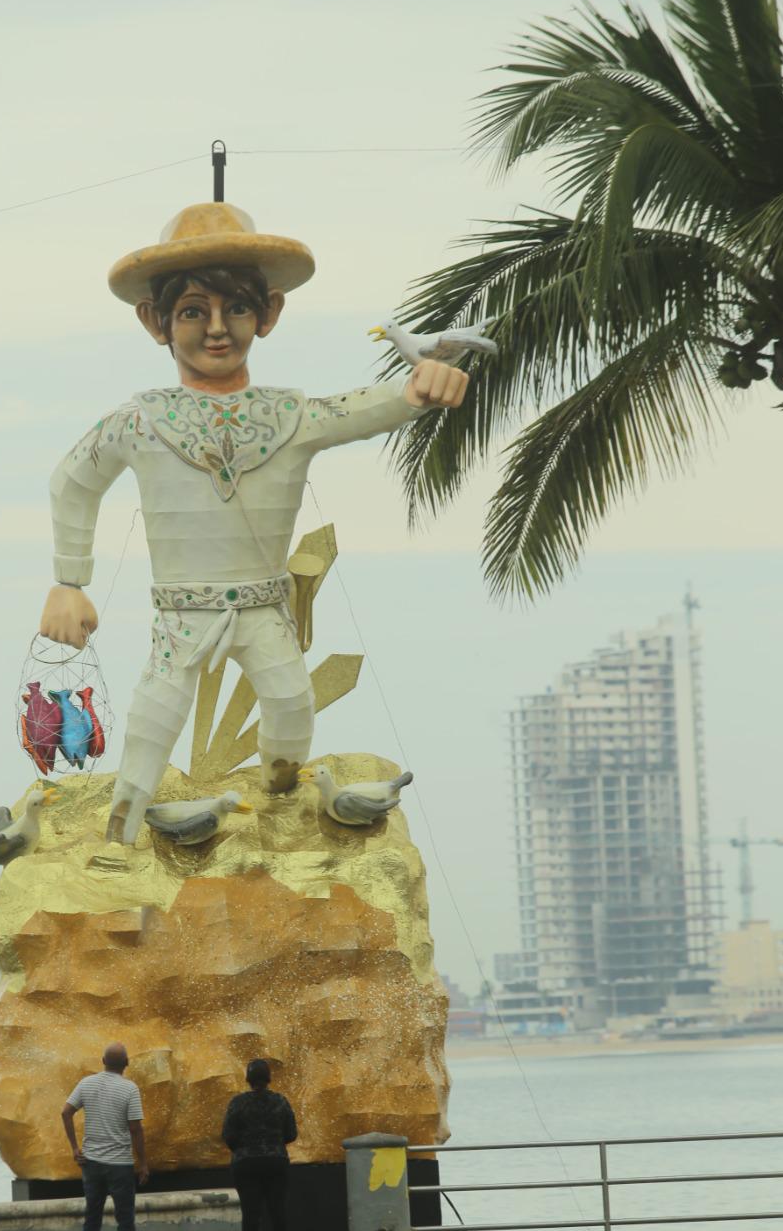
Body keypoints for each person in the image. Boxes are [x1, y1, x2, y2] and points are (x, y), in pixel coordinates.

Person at [38, 199, 469, 844]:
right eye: (192, 312)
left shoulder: (290, 415)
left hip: (266, 609)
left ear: (267, 313)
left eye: (235, 308)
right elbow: (72, 481)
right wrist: (70, 581)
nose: (217, 329)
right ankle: (117, 846)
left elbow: (362, 407)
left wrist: (420, 389)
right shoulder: (140, 420)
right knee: (152, 726)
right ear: (155, 322)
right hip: (181, 614)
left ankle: (276, 818)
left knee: (293, 712)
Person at [61, 1043, 149, 1231]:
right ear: (127, 1064)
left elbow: (66, 1112)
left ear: (102, 1060)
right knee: (125, 1219)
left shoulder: (86, 1083)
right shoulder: (129, 1089)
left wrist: (75, 1148)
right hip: (120, 1164)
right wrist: (142, 1163)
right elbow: (135, 1129)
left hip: (92, 1163)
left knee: (93, 1217)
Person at [222, 1058, 298, 1231]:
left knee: (250, 1212)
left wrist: (242, 1147)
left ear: (248, 1079)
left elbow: (228, 1135)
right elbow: (292, 1134)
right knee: (278, 1210)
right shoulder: (280, 1101)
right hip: (276, 1160)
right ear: (268, 1078)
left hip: (246, 1162)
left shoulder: (238, 1103)